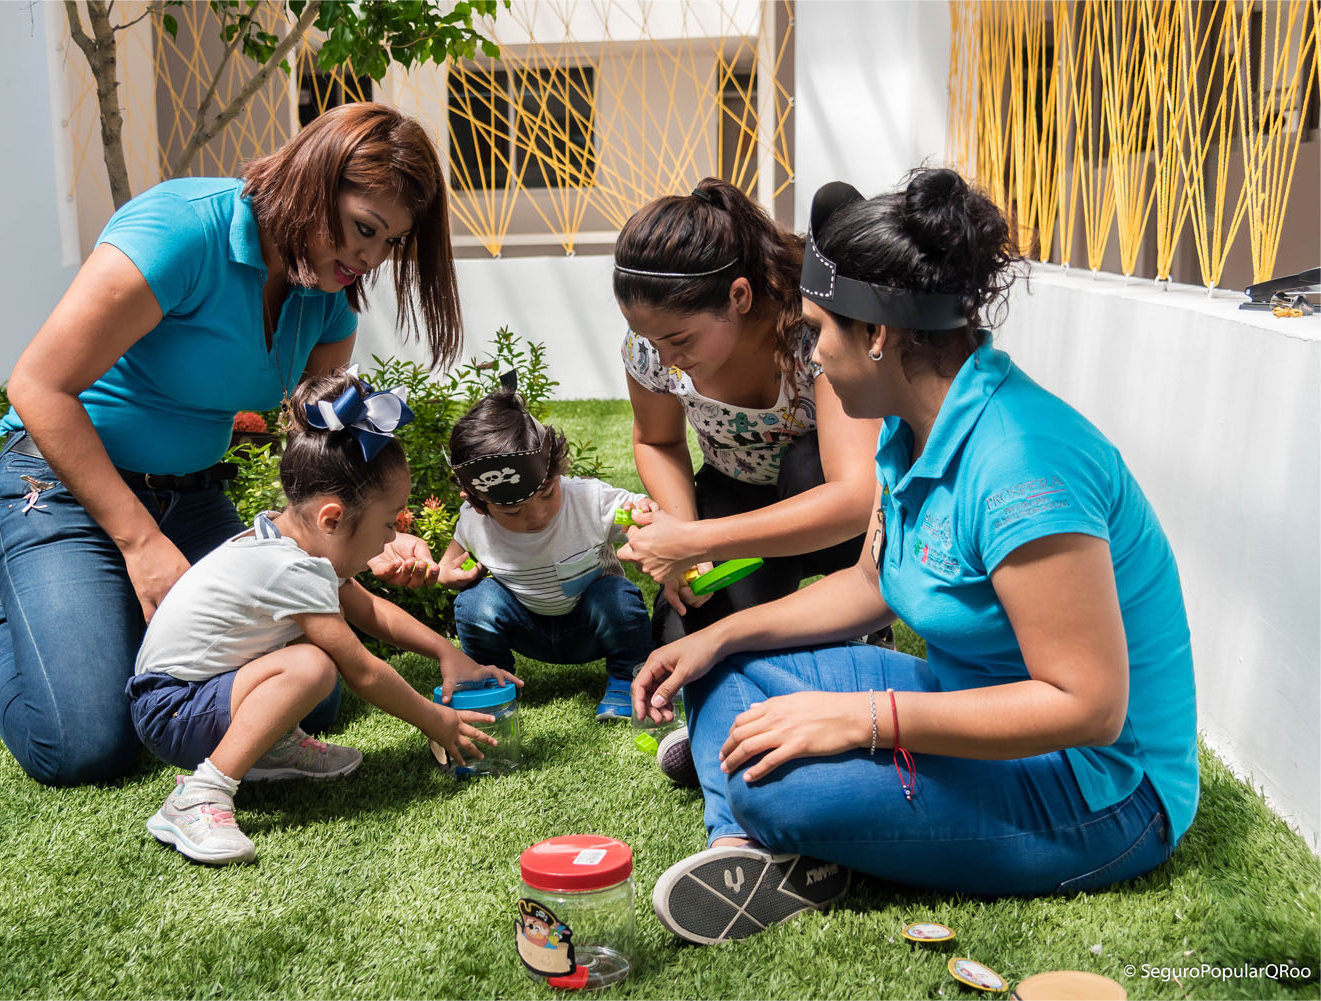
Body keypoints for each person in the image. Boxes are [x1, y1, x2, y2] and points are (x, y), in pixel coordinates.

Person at [632, 169, 1198, 946]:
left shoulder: (1023, 465)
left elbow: (1086, 705)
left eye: (816, 331)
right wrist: (715, 636)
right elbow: (871, 583)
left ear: (876, 334)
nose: (812, 357)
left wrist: (862, 718)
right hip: (969, 701)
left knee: (786, 791)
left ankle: (751, 817)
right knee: (724, 668)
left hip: (1098, 790)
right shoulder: (908, 426)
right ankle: (740, 840)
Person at [0, 103, 462, 786]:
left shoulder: (327, 297)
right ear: (312, 180)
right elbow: (37, 386)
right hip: (62, 491)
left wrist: (370, 531)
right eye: (363, 229)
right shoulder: (181, 228)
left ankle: (100, 625)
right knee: (86, 745)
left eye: (388, 243)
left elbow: (321, 446)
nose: (367, 259)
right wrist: (139, 542)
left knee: (318, 697)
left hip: (193, 496)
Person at [132, 370, 519, 865]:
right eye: (388, 523)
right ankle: (199, 796)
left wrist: (447, 653)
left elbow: (371, 610)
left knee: (305, 661)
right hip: (172, 711)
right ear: (332, 518)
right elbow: (362, 669)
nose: (390, 540)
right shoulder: (289, 567)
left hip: (195, 694)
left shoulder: (288, 539)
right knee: (310, 665)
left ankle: (269, 749)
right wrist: (434, 719)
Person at [611, 178, 881, 649]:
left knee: (805, 462)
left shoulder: (813, 332)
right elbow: (657, 441)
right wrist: (687, 537)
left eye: (679, 340)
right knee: (687, 631)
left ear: (738, 296)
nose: (664, 359)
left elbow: (856, 497)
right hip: (736, 492)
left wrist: (701, 540)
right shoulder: (651, 350)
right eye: (650, 340)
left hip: (830, 509)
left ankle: (864, 617)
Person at [436, 373, 654, 720]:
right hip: (527, 627)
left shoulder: (588, 500)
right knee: (473, 602)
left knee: (616, 595)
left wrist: (645, 522)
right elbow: (451, 560)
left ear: (556, 469)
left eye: (548, 493)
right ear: (478, 503)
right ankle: (492, 683)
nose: (537, 515)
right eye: (512, 511)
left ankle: (628, 681)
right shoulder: (474, 521)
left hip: (591, 624)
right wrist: (448, 574)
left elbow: (641, 512)